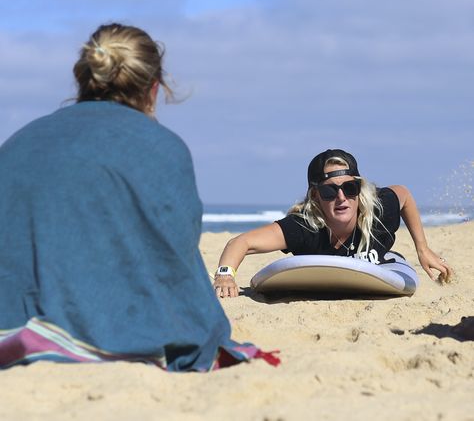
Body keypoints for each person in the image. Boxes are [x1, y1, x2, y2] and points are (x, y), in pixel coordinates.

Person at [0, 23, 271, 371]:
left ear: (84, 80)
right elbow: (172, 265)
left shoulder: (21, 140)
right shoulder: (162, 149)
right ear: (154, 88)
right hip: (99, 336)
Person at [214, 148, 452, 298]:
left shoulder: (378, 210)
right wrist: (225, 275)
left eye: (350, 188)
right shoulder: (304, 227)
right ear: (315, 196)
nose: (341, 198)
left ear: (359, 189)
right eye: (329, 191)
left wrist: (422, 248)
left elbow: (405, 195)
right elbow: (241, 241)